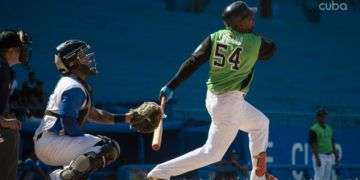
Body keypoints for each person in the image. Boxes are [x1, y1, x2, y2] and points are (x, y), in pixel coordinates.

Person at [147, 1, 277, 180]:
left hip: (216, 99)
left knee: (261, 123)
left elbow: (192, 62)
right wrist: (249, 36)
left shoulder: (215, 37)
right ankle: (160, 173)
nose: (252, 18)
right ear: (238, 22)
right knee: (212, 153)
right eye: (248, 17)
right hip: (230, 105)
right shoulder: (254, 41)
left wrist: (171, 86)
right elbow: (271, 50)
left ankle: (258, 177)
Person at [33, 39, 161, 180]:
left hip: (51, 141)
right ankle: (59, 178)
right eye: (82, 55)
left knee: (87, 160)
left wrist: (126, 118)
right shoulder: (73, 87)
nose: (88, 58)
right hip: (53, 142)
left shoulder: (74, 83)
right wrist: (80, 139)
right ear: (72, 62)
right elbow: (67, 118)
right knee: (107, 148)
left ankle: (67, 175)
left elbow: (94, 114)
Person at [0, 29, 32, 180]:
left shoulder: (5, 69)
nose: (24, 53)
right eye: (21, 49)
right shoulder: (1, 69)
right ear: (12, 50)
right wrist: (4, 121)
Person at [309, 107, 339, 180]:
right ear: (318, 117)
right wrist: (317, 158)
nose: (324, 117)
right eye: (322, 116)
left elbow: (332, 142)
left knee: (327, 177)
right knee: (319, 176)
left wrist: (335, 154)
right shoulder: (314, 129)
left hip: (329, 155)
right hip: (320, 155)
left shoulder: (329, 128)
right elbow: (313, 144)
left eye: (325, 116)